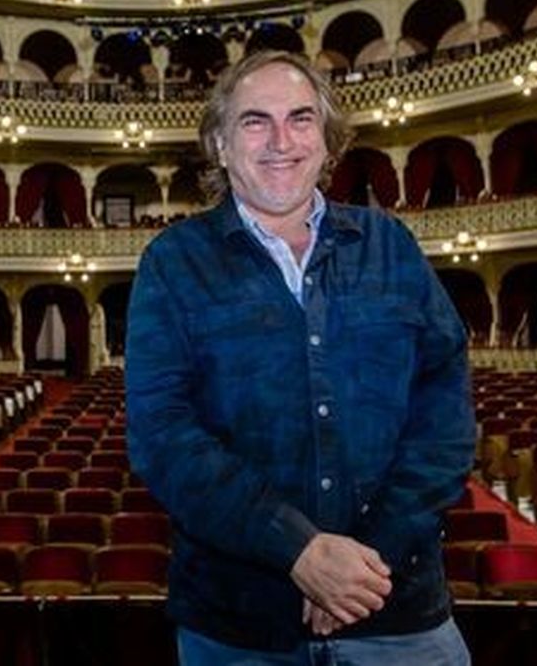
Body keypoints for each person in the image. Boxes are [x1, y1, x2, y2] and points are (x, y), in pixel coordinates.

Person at [125, 50, 475, 664]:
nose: (281, 140)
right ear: (220, 144)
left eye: (301, 118)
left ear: (326, 140)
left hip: (396, 612)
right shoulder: (173, 262)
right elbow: (164, 436)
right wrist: (299, 552)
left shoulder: (390, 245)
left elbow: (444, 417)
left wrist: (366, 562)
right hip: (238, 626)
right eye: (255, 121)